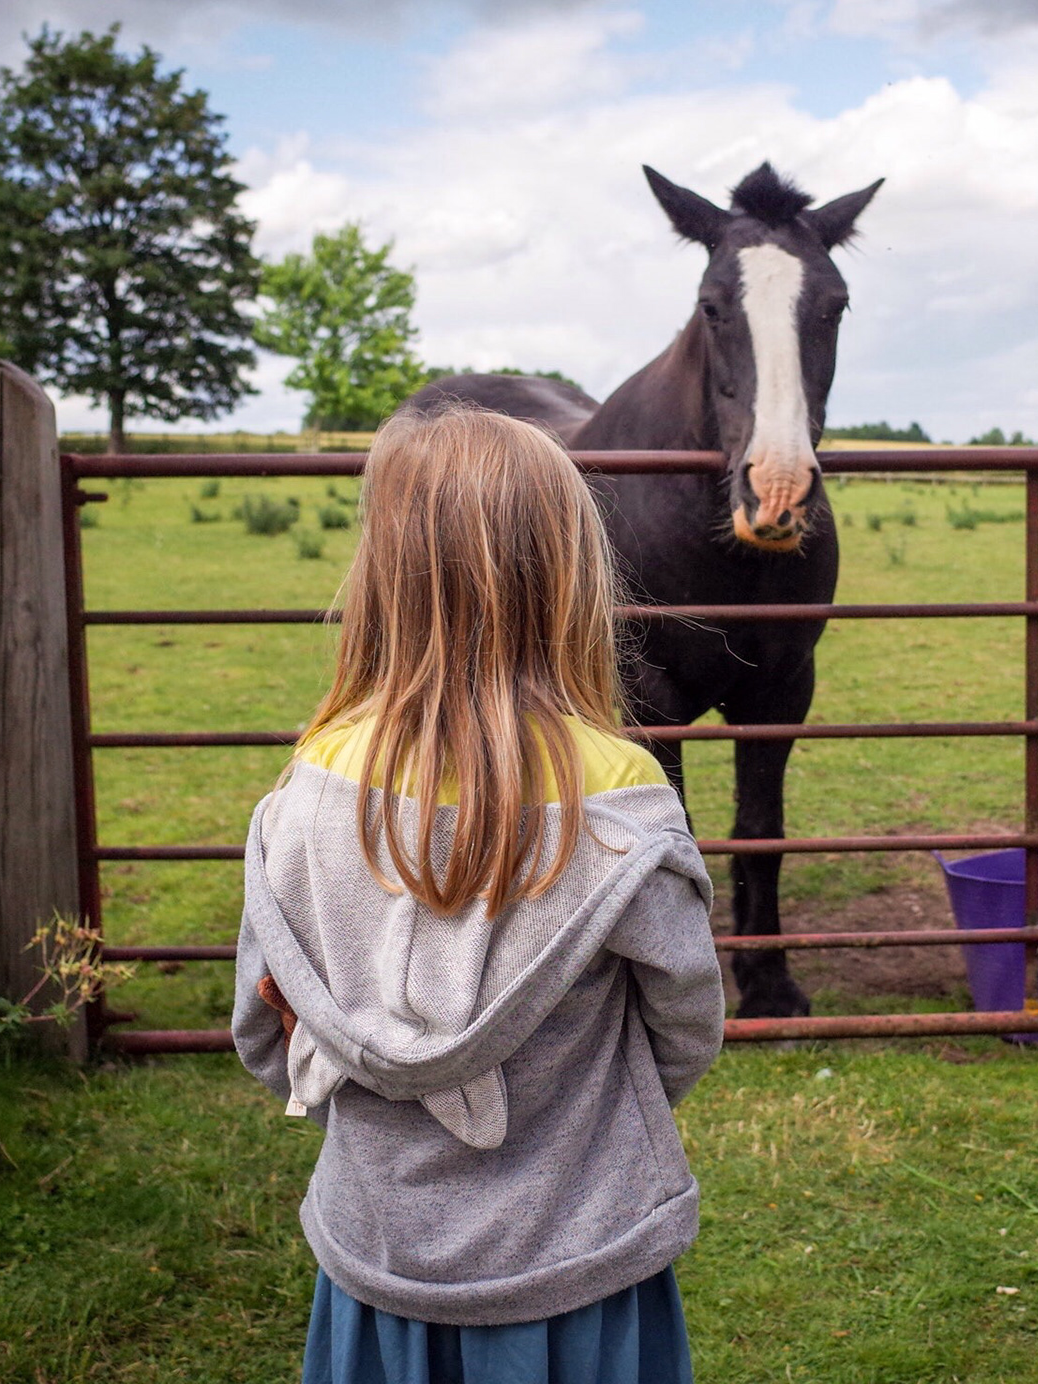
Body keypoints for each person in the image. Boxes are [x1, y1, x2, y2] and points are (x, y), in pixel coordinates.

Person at [233, 405, 726, 1384]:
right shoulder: (621, 793)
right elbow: (685, 1024)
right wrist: (588, 1123)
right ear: (569, 575)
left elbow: (265, 1029)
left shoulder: (311, 781)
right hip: (582, 1258)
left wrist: (380, 1112)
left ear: (384, 577)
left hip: (380, 1249)